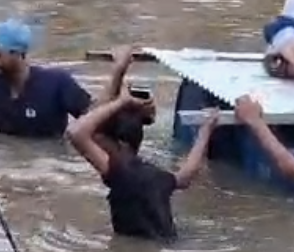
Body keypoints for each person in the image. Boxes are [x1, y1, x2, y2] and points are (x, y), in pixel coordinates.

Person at [66, 47, 219, 240]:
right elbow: (185, 176)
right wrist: (206, 130)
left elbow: (76, 131)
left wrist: (121, 101)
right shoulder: (154, 174)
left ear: (117, 143)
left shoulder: (119, 172)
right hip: (168, 242)